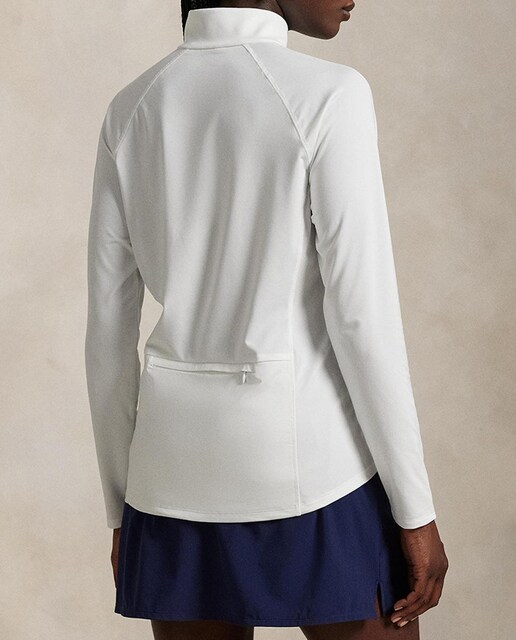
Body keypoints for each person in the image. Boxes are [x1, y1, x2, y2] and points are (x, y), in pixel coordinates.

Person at [85, 1, 449, 638]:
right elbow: (362, 319)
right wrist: (415, 510)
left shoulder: (131, 106)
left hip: (168, 478)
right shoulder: (330, 95)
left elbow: (108, 335)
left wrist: (121, 511)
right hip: (315, 472)